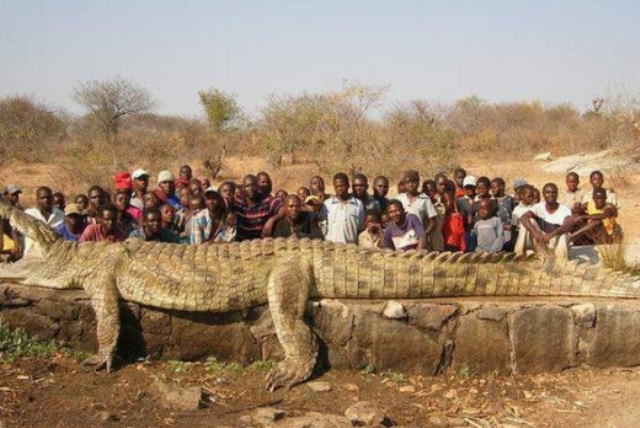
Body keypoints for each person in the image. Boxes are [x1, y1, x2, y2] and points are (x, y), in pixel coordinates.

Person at [519, 183, 574, 258]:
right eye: (548, 192)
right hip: (541, 241)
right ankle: (519, 254)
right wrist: (535, 232)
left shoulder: (565, 210)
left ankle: (561, 261)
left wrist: (551, 235)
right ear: (543, 194)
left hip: (555, 243)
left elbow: (568, 224)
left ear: (557, 194)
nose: (551, 195)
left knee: (563, 235)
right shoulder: (538, 207)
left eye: (553, 192)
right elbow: (523, 217)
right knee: (529, 222)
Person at [228, 175, 281, 241]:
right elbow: (223, 201)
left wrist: (272, 220)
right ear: (243, 188)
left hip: (262, 243)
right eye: (247, 186)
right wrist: (229, 212)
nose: (251, 188)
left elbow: (283, 209)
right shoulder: (238, 200)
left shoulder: (267, 200)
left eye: (253, 185)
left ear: (258, 187)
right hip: (241, 244)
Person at [320, 173, 365, 244]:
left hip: (349, 248)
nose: (340, 189)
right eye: (337, 186)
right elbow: (323, 227)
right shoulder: (327, 204)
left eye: (342, 186)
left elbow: (359, 227)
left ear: (348, 186)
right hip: (331, 247)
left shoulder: (358, 204)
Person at [395, 170, 437, 237]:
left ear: (418, 183)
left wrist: (424, 235)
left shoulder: (424, 199)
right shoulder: (399, 199)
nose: (411, 184)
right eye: (408, 182)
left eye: (413, 182)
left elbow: (433, 221)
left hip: (417, 237)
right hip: (401, 237)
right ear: (404, 184)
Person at [491, 177, 515, 250]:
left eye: (494, 187)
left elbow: (514, 214)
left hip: (510, 228)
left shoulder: (510, 199)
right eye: (491, 188)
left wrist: (513, 225)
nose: (492, 190)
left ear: (501, 187)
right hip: (498, 228)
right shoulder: (492, 201)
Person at [2, 184, 24, 261]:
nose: (16, 196)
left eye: (17, 194)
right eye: (13, 194)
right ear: (6, 195)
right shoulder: (3, 208)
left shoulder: (17, 208)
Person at [510, 184, 536, 249]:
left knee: (531, 221)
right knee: (524, 226)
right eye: (529, 196)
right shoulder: (517, 210)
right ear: (522, 196)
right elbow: (514, 227)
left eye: (533, 196)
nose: (531, 198)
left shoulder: (537, 207)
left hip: (536, 237)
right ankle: (519, 253)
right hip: (523, 238)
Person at [456, 176, 477, 252]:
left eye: (472, 187)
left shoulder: (479, 199)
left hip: (477, 228)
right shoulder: (459, 201)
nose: (469, 189)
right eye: (467, 187)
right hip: (465, 229)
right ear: (464, 188)